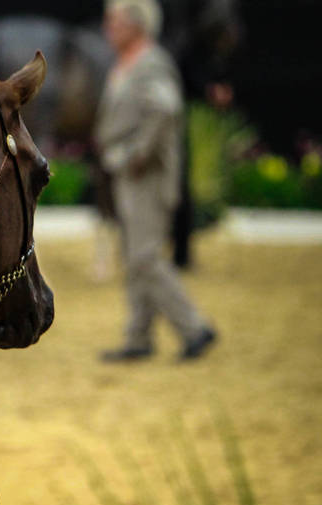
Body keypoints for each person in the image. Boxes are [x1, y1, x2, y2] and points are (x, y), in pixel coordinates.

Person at [94, 0, 216, 362]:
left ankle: (194, 328)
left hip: (146, 178)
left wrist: (137, 154)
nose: (107, 27)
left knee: (145, 257)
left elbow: (165, 110)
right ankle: (138, 337)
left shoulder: (151, 63)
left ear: (136, 26)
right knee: (134, 257)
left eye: (114, 21)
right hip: (130, 177)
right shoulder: (128, 63)